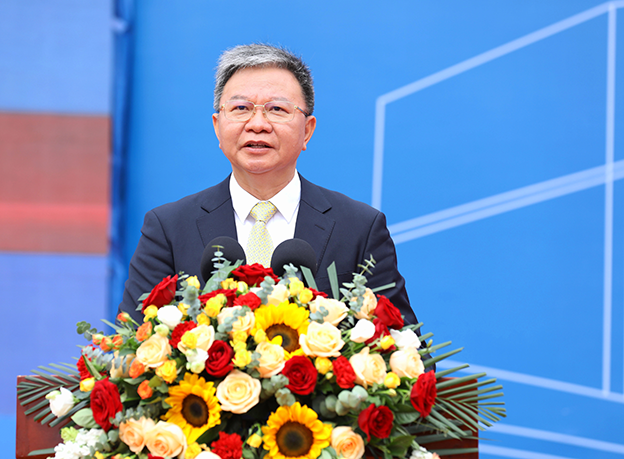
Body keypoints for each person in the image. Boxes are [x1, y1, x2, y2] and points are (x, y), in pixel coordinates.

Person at [119, 44, 418, 328]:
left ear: (307, 130)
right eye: (241, 108)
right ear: (217, 127)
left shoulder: (359, 228)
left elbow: (404, 346)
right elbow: (131, 343)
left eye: (276, 109)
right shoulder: (169, 229)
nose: (257, 124)